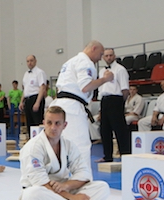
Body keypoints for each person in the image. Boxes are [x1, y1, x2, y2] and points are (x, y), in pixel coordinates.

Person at [15, 106, 111, 200]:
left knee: (102, 187)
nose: (53, 127)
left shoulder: (68, 145)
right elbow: (40, 183)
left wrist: (65, 185)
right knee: (35, 194)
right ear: (44, 123)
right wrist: (72, 197)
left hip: (62, 189)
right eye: (49, 123)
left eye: (57, 123)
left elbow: (83, 173)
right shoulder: (33, 147)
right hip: (40, 190)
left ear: (64, 125)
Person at [51, 41, 113, 170]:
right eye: (100, 53)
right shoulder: (86, 62)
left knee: (62, 144)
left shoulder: (70, 61)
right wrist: (105, 79)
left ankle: (61, 175)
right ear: (93, 48)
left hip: (61, 104)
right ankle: (83, 177)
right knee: (81, 145)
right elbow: (85, 86)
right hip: (72, 108)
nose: (100, 58)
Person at [96, 48, 131, 162]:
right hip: (104, 100)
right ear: (103, 57)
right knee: (104, 129)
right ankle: (107, 156)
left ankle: (125, 155)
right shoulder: (101, 71)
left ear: (114, 56)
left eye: (111, 55)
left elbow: (125, 89)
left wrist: (121, 103)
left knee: (120, 129)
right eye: (106, 56)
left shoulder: (120, 69)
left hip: (116, 99)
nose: (109, 57)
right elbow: (101, 88)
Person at [20, 55, 47, 127]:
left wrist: (37, 102)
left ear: (35, 61)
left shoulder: (40, 72)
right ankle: (30, 134)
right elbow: (25, 89)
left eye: (31, 61)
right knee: (29, 123)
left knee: (37, 122)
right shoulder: (26, 74)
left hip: (36, 98)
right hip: (27, 99)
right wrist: (21, 101)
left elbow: (42, 87)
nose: (29, 63)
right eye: (28, 61)